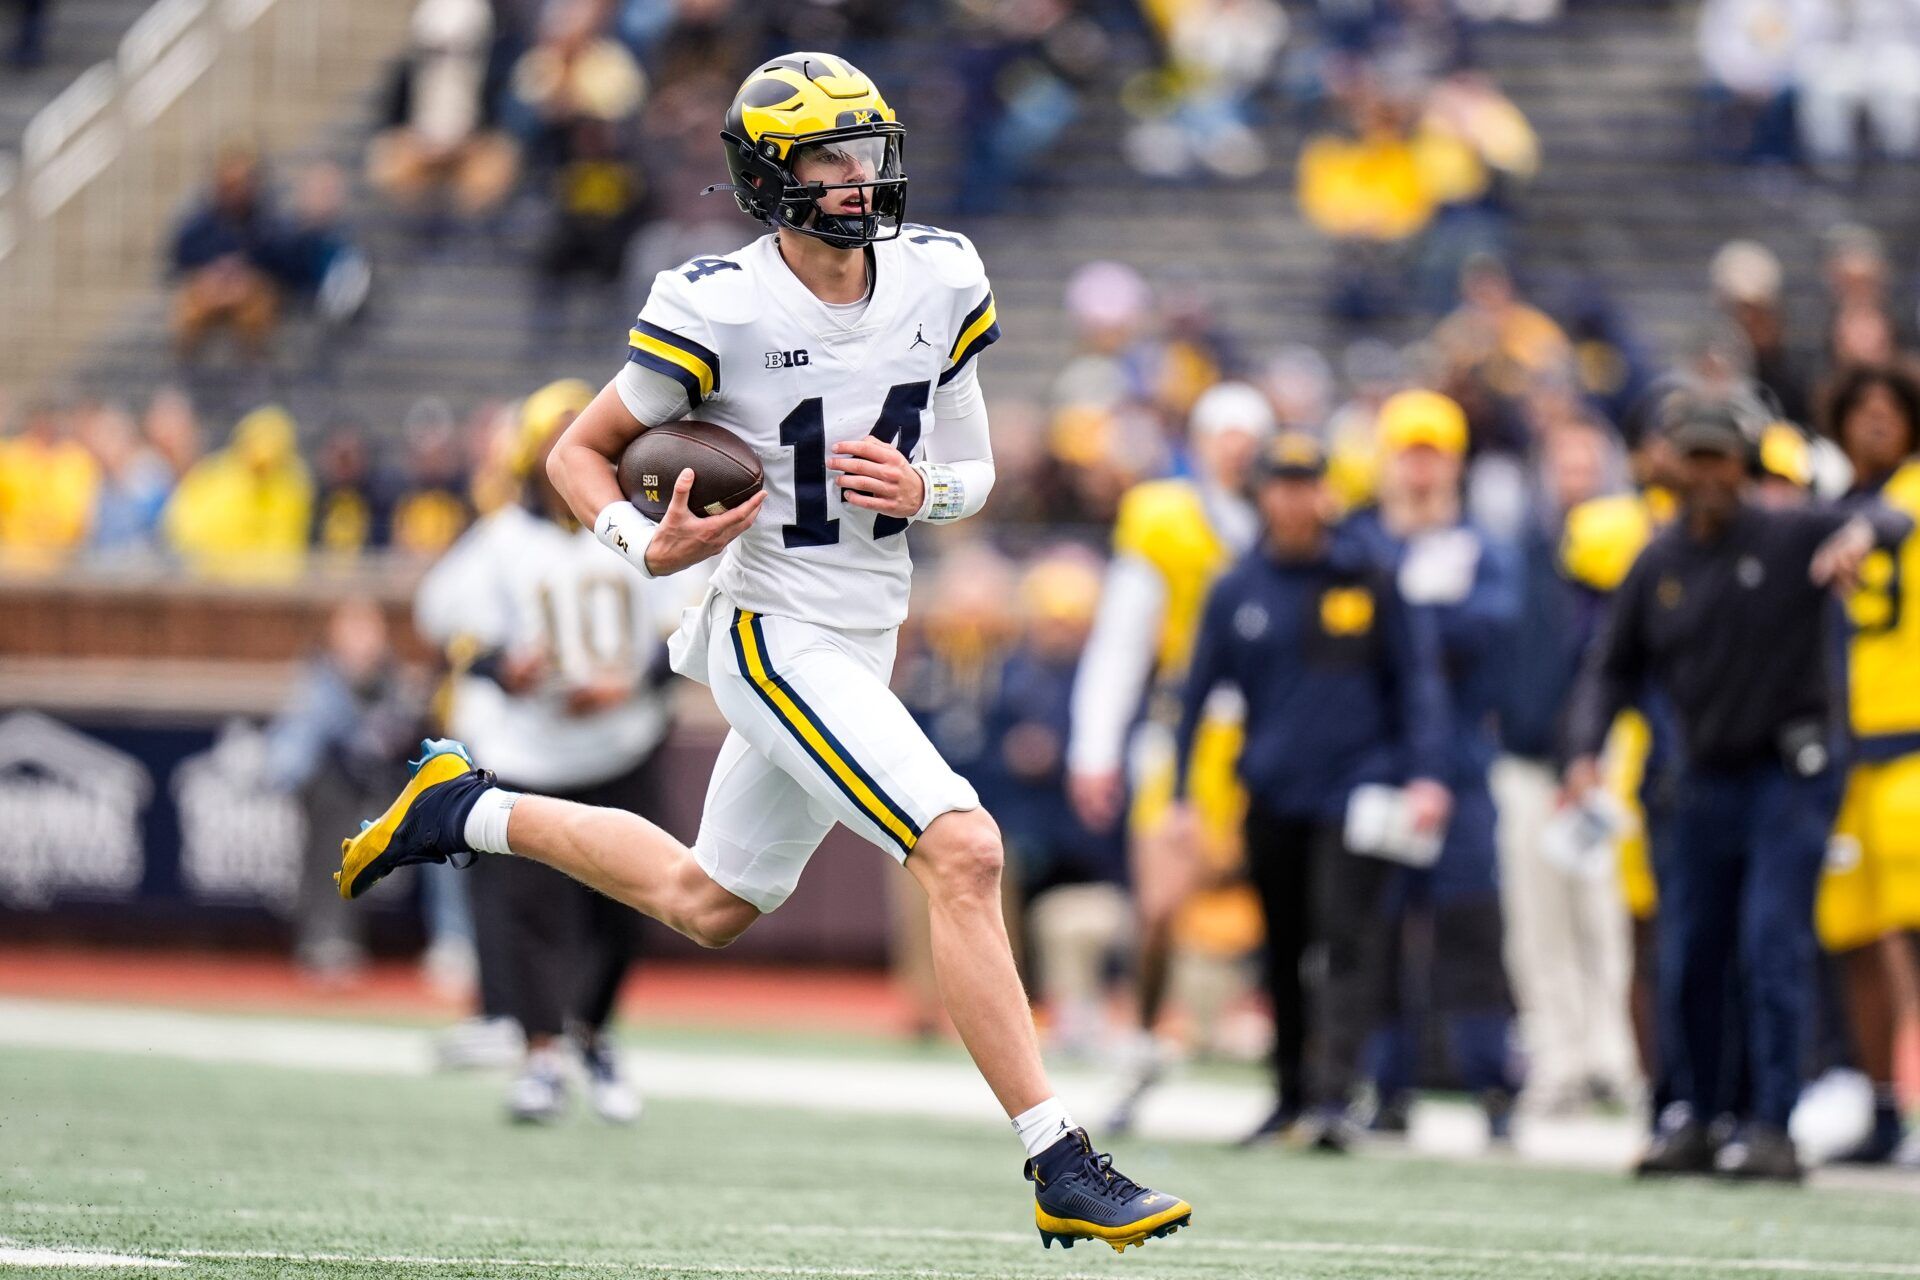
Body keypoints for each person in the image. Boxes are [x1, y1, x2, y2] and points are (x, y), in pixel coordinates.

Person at [335, 53, 1191, 1252]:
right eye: (827, 159)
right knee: (963, 848)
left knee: (710, 898)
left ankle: (466, 810)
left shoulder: (943, 274)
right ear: (767, 178)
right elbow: (578, 453)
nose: (856, 178)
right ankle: (1058, 1154)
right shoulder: (717, 303)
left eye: (866, 152)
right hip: (766, 623)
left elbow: (974, 470)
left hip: (865, 625)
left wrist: (927, 485)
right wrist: (649, 540)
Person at [1565, 396, 1914, 1181]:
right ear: (1672, 467)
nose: (1710, 473)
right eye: (1695, 458)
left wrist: (1860, 533)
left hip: (1789, 777)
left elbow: (1892, 520)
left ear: (1743, 464)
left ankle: (1773, 1123)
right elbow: (1610, 666)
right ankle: (1695, 1111)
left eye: (1722, 458)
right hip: (1702, 778)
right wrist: (1585, 748)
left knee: (1770, 941)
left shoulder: (1789, 534)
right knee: (1690, 952)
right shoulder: (1658, 562)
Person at [1170, 430, 1452, 1149]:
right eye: (1281, 483)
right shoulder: (1237, 587)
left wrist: (1424, 772)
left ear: (1323, 489)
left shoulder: (1369, 573)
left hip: (1358, 789)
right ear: (1261, 493)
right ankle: (1289, 1094)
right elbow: (1195, 692)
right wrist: (1177, 794)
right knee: (1284, 944)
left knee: (1346, 940)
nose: (1295, 497)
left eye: (1306, 482)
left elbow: (1417, 679)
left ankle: (1333, 1097)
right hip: (1271, 789)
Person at [414, 379, 686, 1124]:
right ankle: (540, 1055)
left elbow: (690, 632)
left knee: (635, 913)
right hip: (529, 752)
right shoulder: (502, 540)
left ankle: (590, 1034)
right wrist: (506, 666)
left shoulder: (638, 528)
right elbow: (446, 628)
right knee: (531, 913)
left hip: (623, 746)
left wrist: (630, 685)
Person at [1066, 380, 1274, 1132]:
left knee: (1289, 909)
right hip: (1185, 735)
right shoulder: (1167, 520)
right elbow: (1122, 640)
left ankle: (1300, 1072)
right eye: (1226, 438)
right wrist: (1095, 745)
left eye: (1250, 441)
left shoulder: (1294, 518)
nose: (1238, 455)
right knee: (1158, 909)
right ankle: (1144, 1043)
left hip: (1276, 738)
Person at [1343, 390, 1523, 1142]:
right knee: (1379, 931)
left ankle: (1493, 1084)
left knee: (1471, 926)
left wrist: (1416, 611)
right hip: (1379, 766)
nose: (1420, 470)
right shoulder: (1360, 544)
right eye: (1409, 453)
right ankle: (1387, 1085)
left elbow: (1493, 631)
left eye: (1433, 454)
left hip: (1462, 768)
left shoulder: (1483, 549)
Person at [1493, 417, 1642, 1117]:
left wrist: (1590, 748)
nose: (1576, 478)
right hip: (1525, 759)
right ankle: (1558, 1058)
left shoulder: (1626, 554)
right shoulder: (1520, 551)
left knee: (1601, 915)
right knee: (1537, 921)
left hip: (1600, 761)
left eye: (1588, 464)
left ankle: (1612, 1055)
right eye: (1565, 463)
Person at [1816, 365, 1920, 1166]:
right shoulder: (1830, 503)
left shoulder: (1907, 494)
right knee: (1853, 938)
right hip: (1846, 757)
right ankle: (1883, 1105)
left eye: (1890, 411)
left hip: (1913, 745)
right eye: (1863, 411)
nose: (1876, 423)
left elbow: (1889, 523)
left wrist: (1859, 533)